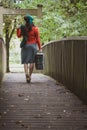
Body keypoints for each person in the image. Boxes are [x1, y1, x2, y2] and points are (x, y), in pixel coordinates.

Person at [17, 14, 42, 83]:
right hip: (33, 46)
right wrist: (40, 47)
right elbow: (38, 39)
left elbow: (19, 36)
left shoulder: (23, 28)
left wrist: (17, 29)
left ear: (25, 21)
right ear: (32, 21)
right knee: (32, 61)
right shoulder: (35, 29)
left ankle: (26, 74)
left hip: (25, 46)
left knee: (25, 61)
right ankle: (29, 76)